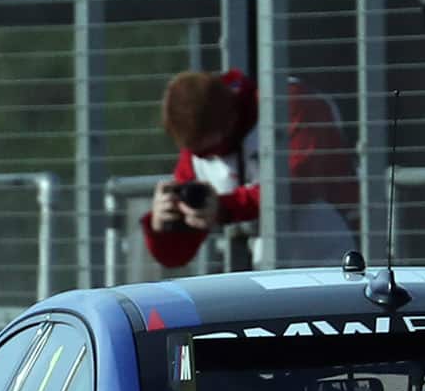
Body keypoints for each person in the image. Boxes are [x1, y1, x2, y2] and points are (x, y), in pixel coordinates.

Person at [141, 69, 359, 269]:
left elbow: (297, 184)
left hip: (348, 252)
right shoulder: (197, 149)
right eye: (200, 153)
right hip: (273, 269)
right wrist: (164, 227)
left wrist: (225, 207)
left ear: (229, 122)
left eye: (213, 150)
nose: (211, 158)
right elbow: (176, 256)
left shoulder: (288, 102)